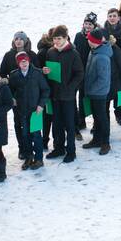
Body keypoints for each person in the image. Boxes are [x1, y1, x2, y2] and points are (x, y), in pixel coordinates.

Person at [43, 25, 83, 163]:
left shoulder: (73, 54)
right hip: (55, 95)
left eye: (59, 39)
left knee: (69, 124)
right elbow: (49, 71)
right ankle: (58, 147)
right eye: (54, 39)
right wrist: (46, 71)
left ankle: (71, 151)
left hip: (68, 96)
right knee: (57, 123)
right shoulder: (50, 52)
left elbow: (79, 74)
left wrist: (71, 88)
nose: (56, 41)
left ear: (65, 38)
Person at [7, 50, 49, 170]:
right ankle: (29, 157)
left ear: (29, 61)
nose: (24, 64)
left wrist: (41, 105)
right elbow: (10, 89)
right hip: (22, 111)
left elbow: (46, 90)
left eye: (25, 61)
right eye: (21, 62)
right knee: (25, 135)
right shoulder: (14, 75)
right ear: (18, 64)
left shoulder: (37, 73)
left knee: (36, 135)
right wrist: (12, 98)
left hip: (35, 110)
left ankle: (39, 159)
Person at [82, 28, 113, 155]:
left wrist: (91, 89)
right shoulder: (94, 51)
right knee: (96, 117)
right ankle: (97, 140)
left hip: (99, 93)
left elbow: (103, 79)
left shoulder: (101, 57)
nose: (87, 40)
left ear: (94, 41)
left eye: (89, 39)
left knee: (101, 118)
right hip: (93, 91)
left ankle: (105, 143)